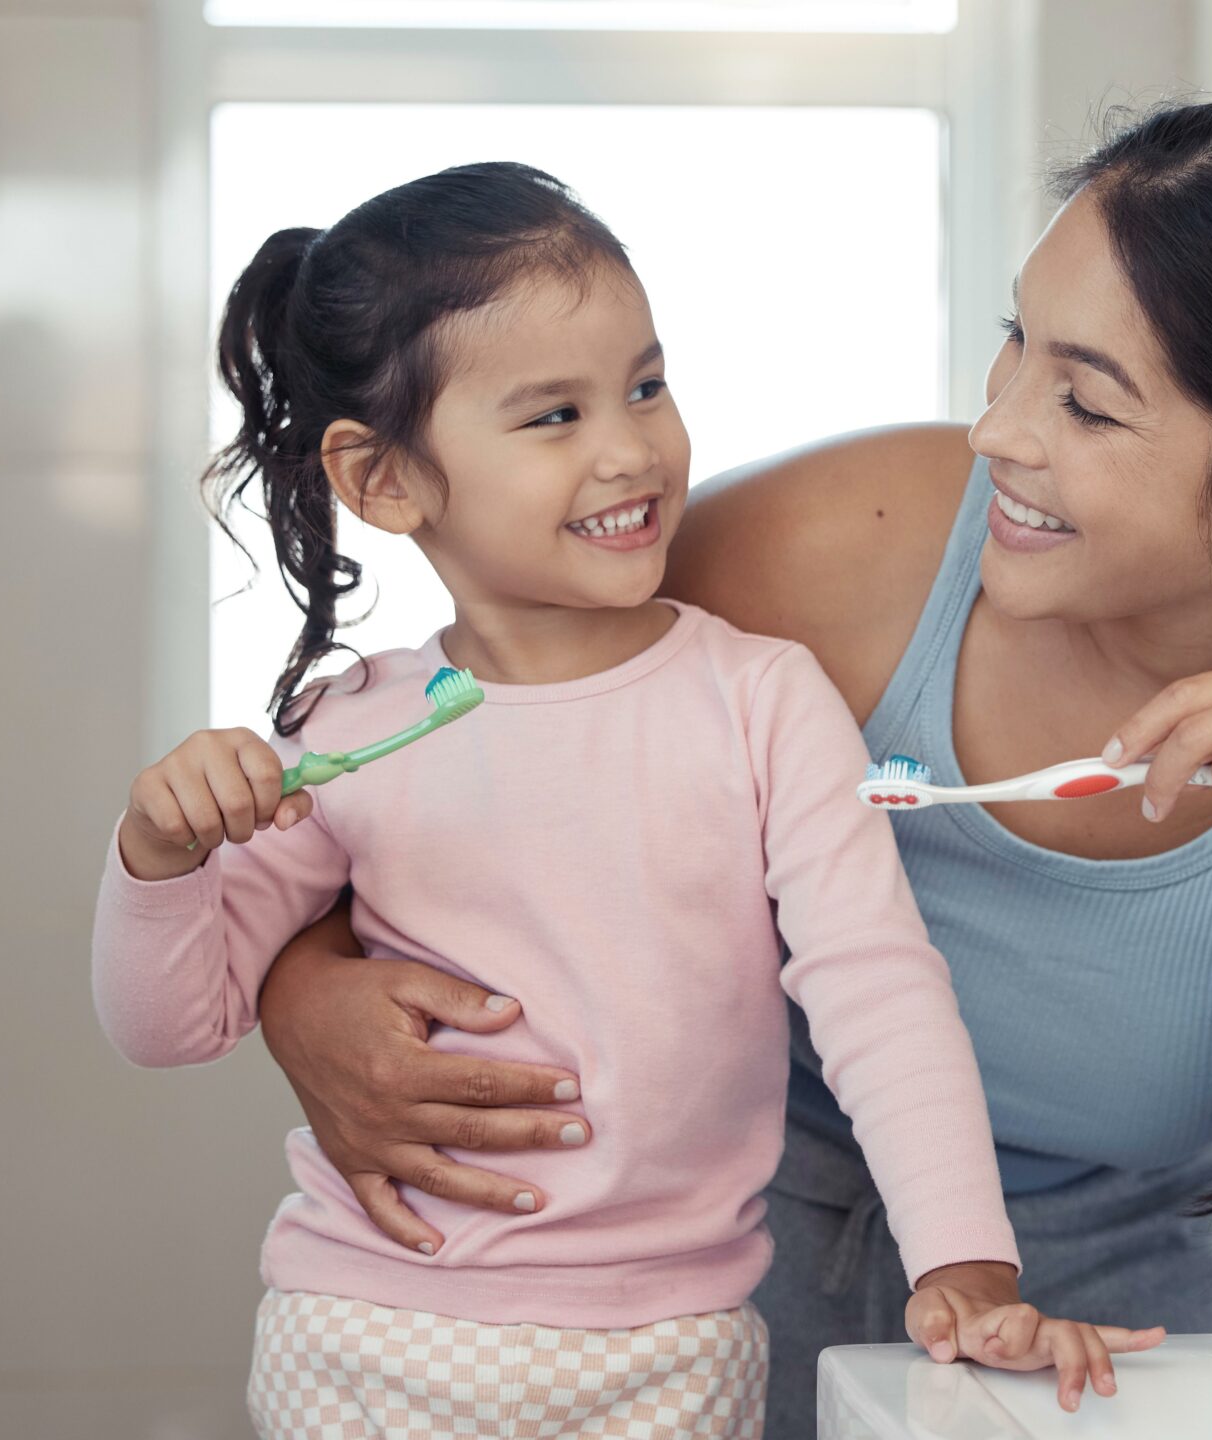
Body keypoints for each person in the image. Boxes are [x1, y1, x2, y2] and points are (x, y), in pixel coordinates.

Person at [251, 92, 1212, 1438]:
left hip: (1079, 1327)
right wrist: (301, 988)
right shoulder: (845, 547)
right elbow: (445, 725)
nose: (998, 431)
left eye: (1090, 406)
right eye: (1015, 345)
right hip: (685, 1273)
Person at [91, 161, 1155, 1440]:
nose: (630, 447)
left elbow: (875, 984)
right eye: (553, 416)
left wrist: (962, 1267)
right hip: (366, 1338)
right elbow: (170, 1023)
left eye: (645, 385)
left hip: (672, 1358)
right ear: (383, 483)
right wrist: (154, 856)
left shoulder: (762, 698)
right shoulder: (349, 732)